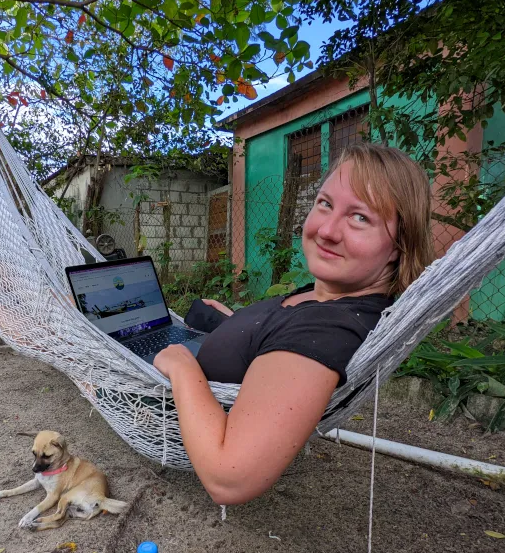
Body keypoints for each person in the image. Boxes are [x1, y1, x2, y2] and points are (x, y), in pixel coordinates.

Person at [152, 142, 434, 505]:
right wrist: (234, 324)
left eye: (360, 217)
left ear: (399, 245)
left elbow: (228, 478)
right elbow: (279, 344)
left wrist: (182, 367)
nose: (327, 230)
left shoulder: (328, 328)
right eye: (325, 203)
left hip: (161, 397)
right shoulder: (329, 295)